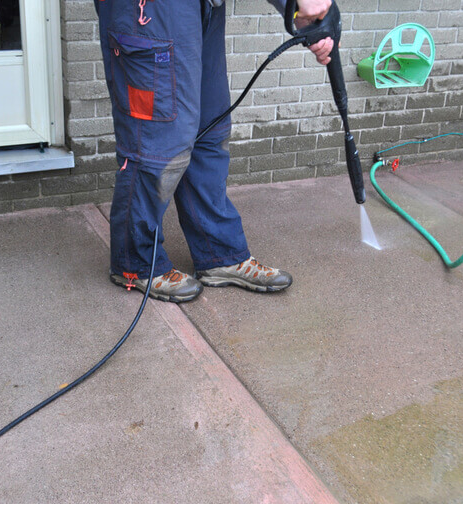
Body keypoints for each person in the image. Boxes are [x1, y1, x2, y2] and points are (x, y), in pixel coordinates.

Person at [94, 0, 334, 303]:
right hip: (149, 10)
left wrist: (293, 8)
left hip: (201, 6)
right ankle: (134, 263)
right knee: (158, 139)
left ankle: (219, 254)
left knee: (211, 129)